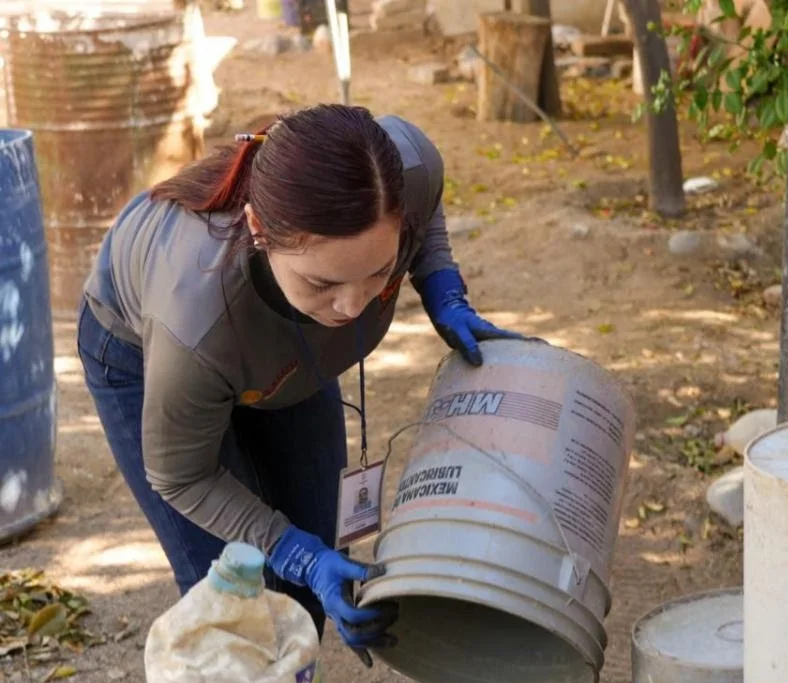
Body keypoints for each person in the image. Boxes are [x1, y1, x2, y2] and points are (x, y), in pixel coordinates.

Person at [78, 103, 520, 651]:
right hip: (144, 351)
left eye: (379, 272)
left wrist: (442, 289)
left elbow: (423, 211)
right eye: (323, 283)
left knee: (307, 583)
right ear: (260, 230)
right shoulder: (196, 320)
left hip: (277, 354)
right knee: (232, 605)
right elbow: (183, 476)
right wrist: (296, 554)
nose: (353, 307)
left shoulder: (406, 169)